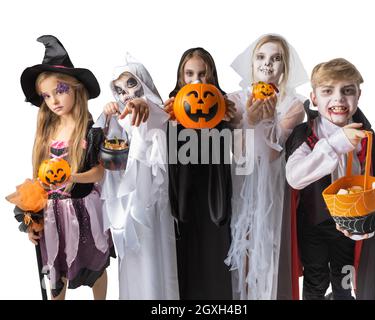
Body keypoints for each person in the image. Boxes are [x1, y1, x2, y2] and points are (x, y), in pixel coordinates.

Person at [20, 35, 114, 300]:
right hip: (53, 212)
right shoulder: (47, 130)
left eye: (60, 91)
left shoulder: (90, 129)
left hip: (83, 208)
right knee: (56, 267)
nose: (54, 101)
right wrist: (32, 217)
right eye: (46, 96)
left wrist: (73, 176)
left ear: (76, 89)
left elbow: (99, 171)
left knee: (95, 262)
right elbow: (39, 178)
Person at [285, 58, 375, 300]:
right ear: (314, 98)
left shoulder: (368, 139)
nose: (338, 99)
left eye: (347, 91)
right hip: (313, 224)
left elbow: (371, 188)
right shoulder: (306, 134)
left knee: (345, 283)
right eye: (328, 91)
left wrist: (360, 228)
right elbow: (295, 177)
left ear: (358, 96)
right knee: (315, 281)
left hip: (349, 230)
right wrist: (337, 144)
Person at [225, 34, 308, 300]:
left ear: (285, 66)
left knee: (267, 241)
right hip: (241, 180)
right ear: (252, 62)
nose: (268, 64)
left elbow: (274, 153)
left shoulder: (293, 105)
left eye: (276, 59)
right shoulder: (236, 99)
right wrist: (249, 119)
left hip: (272, 184)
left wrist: (270, 118)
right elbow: (237, 153)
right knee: (243, 239)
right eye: (261, 57)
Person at [96, 53, 179, 299]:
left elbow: (155, 117)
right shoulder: (117, 120)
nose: (127, 94)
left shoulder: (156, 112)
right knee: (131, 258)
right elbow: (103, 149)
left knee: (154, 256)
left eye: (131, 84)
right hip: (125, 203)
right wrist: (107, 115)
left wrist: (145, 106)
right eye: (120, 90)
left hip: (151, 201)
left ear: (143, 83)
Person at [164, 47, 235, 299]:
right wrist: (169, 122)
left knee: (216, 253)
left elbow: (238, 148)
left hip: (215, 188)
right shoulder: (172, 105)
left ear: (212, 75)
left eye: (202, 74)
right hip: (183, 189)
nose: (197, 80)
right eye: (190, 73)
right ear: (181, 76)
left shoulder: (223, 103)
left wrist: (231, 121)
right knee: (186, 255)